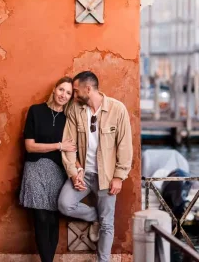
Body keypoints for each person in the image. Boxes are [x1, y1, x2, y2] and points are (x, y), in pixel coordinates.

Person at [58, 71, 133, 262]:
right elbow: (69, 144)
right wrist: (74, 173)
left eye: (75, 91)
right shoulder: (75, 109)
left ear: (88, 89)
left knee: (108, 224)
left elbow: (125, 145)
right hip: (84, 173)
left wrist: (119, 176)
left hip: (107, 177)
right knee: (64, 204)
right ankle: (94, 216)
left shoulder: (117, 109)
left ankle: (103, 260)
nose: (73, 96)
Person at [19, 77, 77, 262]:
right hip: (35, 168)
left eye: (68, 93)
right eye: (61, 90)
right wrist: (59, 145)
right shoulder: (36, 111)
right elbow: (30, 146)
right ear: (54, 89)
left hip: (58, 171)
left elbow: (73, 149)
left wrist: (78, 169)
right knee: (41, 217)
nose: (63, 95)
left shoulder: (69, 119)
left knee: (53, 219)